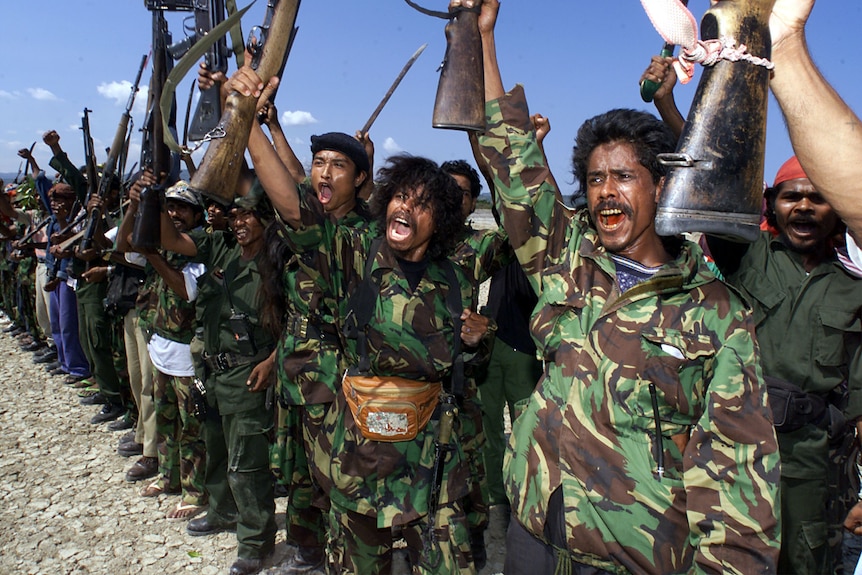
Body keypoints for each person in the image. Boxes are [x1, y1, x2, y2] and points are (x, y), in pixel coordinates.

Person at [467, 1, 781, 573]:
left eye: (624, 177)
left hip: (635, 557)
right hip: (534, 533)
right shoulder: (566, 259)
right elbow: (511, 158)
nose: (606, 192)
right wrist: (484, 34)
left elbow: (737, 471)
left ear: (660, 186)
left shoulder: (714, 312)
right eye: (594, 179)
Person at [160, 184, 278, 575]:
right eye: (237, 214)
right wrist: (150, 200)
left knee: (247, 462)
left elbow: (299, 319)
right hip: (213, 371)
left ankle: (255, 542)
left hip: (249, 372)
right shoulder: (223, 249)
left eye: (249, 214)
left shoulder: (277, 262)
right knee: (216, 448)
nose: (240, 222)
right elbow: (167, 239)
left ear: (267, 219)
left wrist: (273, 361)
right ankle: (222, 509)